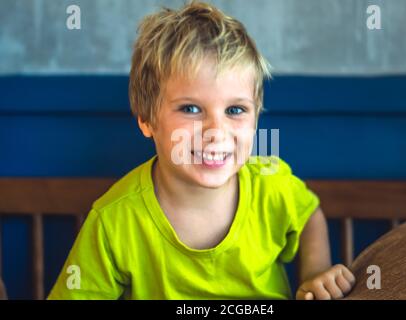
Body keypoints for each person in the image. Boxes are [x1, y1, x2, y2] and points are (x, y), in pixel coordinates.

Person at [48, 1, 355, 300]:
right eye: (191, 108)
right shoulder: (114, 219)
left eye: (235, 110)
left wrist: (315, 272)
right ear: (146, 119)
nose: (216, 131)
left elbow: (307, 213)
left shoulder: (271, 184)